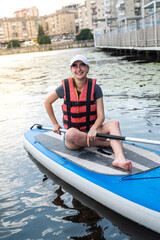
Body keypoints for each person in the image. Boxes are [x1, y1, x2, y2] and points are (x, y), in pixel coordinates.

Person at [44, 55, 132, 171]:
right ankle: (107, 143)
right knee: (71, 134)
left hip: (92, 132)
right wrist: (55, 124)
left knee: (114, 123)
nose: (79, 69)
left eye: (82, 65)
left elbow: (101, 115)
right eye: (75, 66)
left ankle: (119, 159)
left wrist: (94, 128)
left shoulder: (95, 88)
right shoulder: (64, 87)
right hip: (74, 137)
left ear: (88, 68)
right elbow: (47, 102)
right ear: (71, 70)